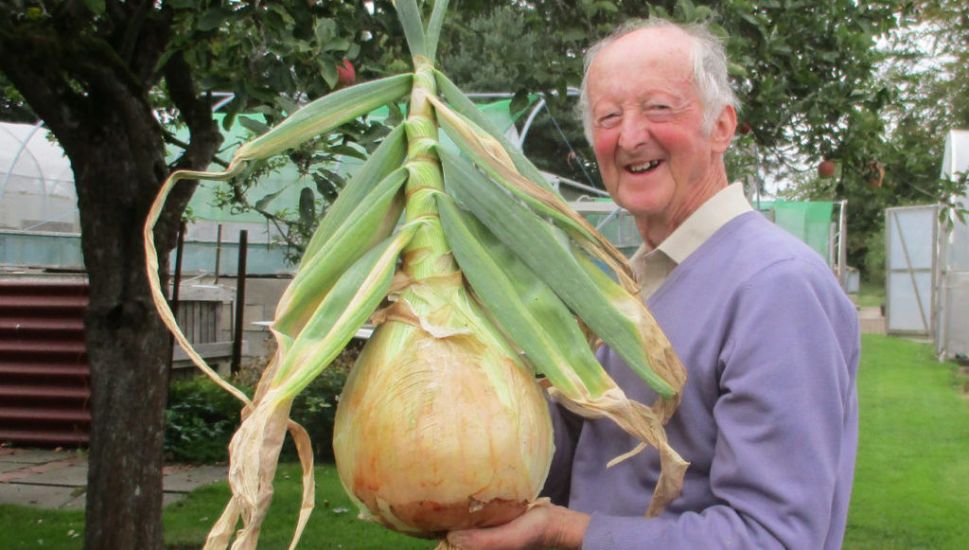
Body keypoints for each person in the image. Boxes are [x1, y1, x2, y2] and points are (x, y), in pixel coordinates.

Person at [446, 17, 860, 550]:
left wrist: (561, 531)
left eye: (658, 108)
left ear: (722, 126)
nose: (630, 135)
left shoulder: (775, 287)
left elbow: (773, 537)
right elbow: (593, 456)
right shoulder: (629, 282)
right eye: (608, 116)